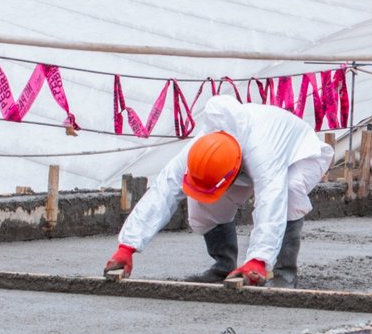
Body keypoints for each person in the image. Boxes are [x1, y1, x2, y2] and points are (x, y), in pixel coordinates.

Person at [104, 96, 334, 287]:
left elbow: (271, 201)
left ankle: (285, 274)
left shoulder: (262, 152)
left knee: (290, 191)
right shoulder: (201, 147)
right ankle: (223, 267)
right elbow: (162, 191)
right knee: (202, 205)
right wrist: (127, 247)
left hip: (300, 154)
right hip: (244, 161)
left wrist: (258, 260)